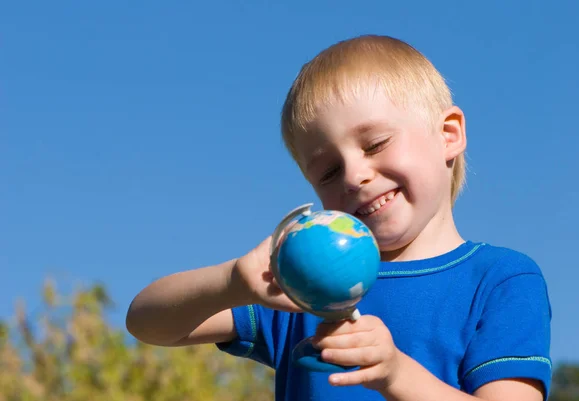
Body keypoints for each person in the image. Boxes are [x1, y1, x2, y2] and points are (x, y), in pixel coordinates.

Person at [126, 34, 552, 401]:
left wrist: (396, 374)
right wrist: (232, 283)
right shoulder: (304, 286)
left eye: (375, 143)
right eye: (328, 171)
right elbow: (146, 322)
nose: (353, 176)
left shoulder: (501, 279)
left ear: (448, 135)